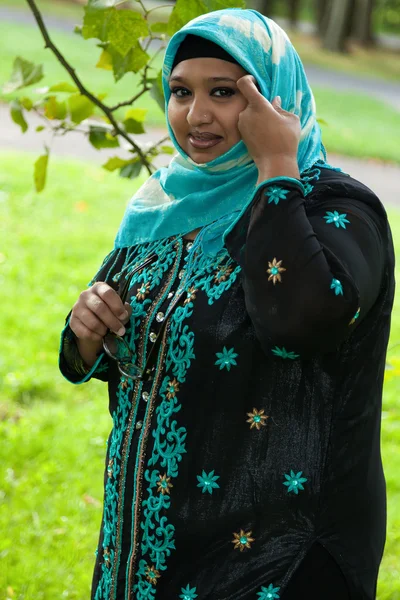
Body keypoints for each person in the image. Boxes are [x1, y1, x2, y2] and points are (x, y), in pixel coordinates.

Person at [59, 8, 394, 600]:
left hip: (275, 557)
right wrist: (87, 330)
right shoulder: (166, 206)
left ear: (277, 102)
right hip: (152, 543)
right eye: (182, 91)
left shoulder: (340, 212)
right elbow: (137, 335)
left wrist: (276, 167)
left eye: (224, 93)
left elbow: (297, 322)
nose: (197, 114)